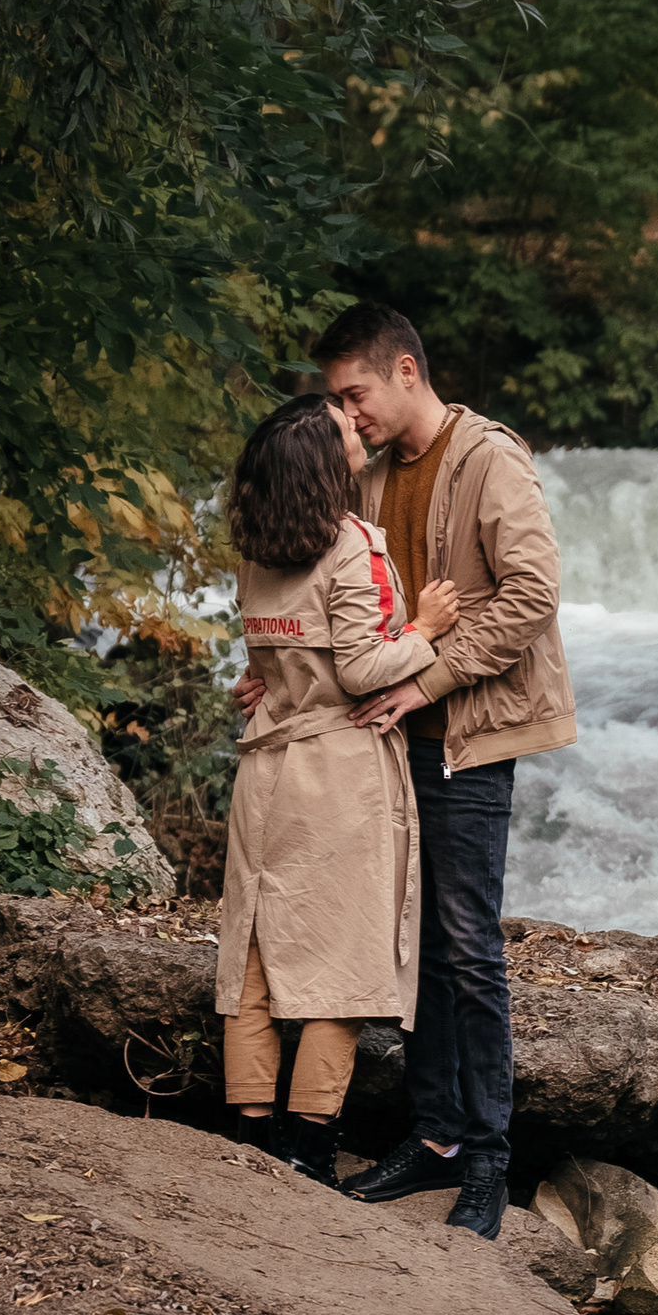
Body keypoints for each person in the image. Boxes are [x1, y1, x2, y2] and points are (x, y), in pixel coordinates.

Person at [299, 298, 574, 1240]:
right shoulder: (372, 478)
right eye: (337, 400)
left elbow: (534, 593)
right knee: (412, 948)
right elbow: (341, 605)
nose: (349, 413)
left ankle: (491, 1162)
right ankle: (436, 1137)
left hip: (466, 739)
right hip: (386, 744)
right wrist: (283, 679)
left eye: (357, 393)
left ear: (405, 371)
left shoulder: (489, 458)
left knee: (466, 948)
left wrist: (433, 679)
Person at [218, 393, 463, 1188]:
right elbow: (362, 669)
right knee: (341, 959)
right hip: (337, 774)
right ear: (324, 467)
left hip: (265, 772)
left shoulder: (259, 547)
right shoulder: (354, 545)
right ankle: (308, 1144)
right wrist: (425, 628)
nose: (356, 427)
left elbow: (263, 666)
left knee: (254, 951)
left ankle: (246, 1130)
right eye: (341, 426)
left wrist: (267, 681)